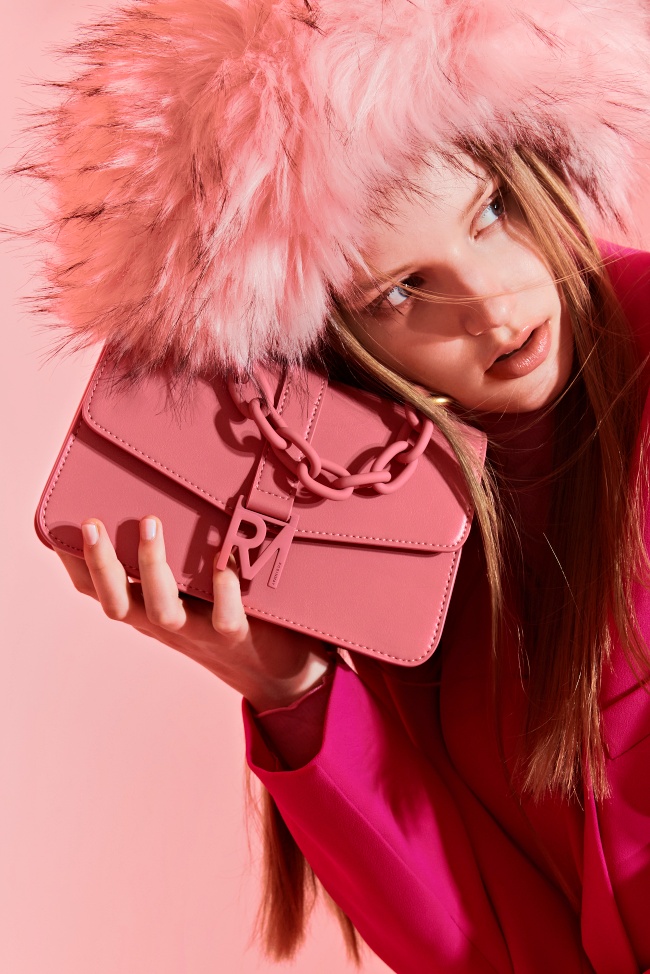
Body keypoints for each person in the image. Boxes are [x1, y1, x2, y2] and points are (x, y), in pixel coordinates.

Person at [15, 0, 650, 970]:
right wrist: (289, 686)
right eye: (401, 291)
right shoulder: (410, 539)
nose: (492, 305)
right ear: (322, 350)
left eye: (491, 210)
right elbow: (497, 947)